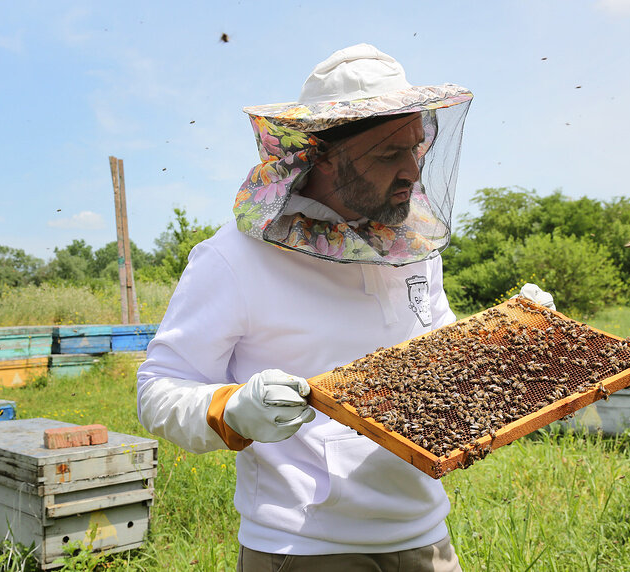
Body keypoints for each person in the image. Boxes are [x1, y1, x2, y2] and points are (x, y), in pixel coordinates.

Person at [137, 44, 554, 571]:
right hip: (303, 547)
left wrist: (510, 338)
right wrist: (230, 410)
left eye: (416, 148)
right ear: (322, 156)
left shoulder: (411, 244)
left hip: (426, 535)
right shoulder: (232, 259)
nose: (412, 173)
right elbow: (158, 388)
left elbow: (436, 349)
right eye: (388, 155)